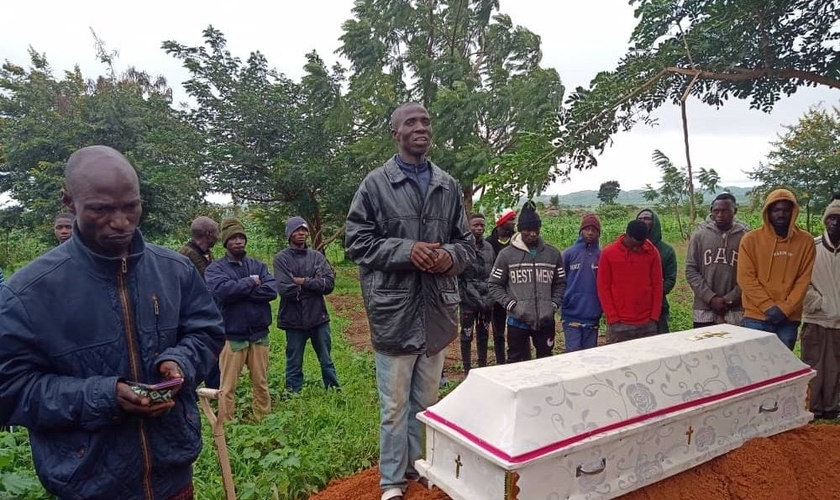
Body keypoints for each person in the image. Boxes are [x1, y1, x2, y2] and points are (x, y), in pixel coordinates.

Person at [0, 145, 225, 500]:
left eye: (130, 206)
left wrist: (180, 362)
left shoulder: (175, 271)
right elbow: (9, 390)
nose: (120, 221)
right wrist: (104, 396)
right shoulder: (28, 293)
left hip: (173, 480)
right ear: (69, 201)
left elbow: (206, 332)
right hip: (88, 486)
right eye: (101, 209)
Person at [345, 102, 473, 500]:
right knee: (395, 407)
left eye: (426, 121)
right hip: (394, 315)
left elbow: (467, 245)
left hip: (435, 312)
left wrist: (447, 257)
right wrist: (407, 250)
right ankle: (391, 483)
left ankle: (418, 469)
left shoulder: (448, 186)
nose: (421, 127)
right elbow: (356, 242)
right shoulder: (375, 185)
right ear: (396, 133)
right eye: (411, 122)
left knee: (427, 401)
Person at [206, 218, 277, 423]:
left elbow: (272, 290)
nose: (238, 241)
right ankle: (226, 424)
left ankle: (263, 420)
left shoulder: (258, 264)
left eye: (241, 237)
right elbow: (222, 292)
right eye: (233, 238)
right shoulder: (215, 269)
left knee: (261, 382)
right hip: (232, 335)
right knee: (227, 386)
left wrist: (241, 290)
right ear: (225, 242)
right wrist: (251, 282)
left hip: (259, 334)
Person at [737, 189, 816, 351]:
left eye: (786, 210)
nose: (781, 214)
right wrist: (768, 307)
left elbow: (803, 280)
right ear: (768, 212)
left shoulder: (805, 241)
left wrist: (784, 309)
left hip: (788, 318)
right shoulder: (751, 240)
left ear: (793, 212)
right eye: (776, 210)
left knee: (783, 370)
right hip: (756, 316)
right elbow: (745, 278)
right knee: (755, 365)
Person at [488, 202, 565, 363]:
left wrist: (553, 305)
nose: (532, 234)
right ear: (520, 230)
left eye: (535, 230)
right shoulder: (506, 255)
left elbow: (560, 283)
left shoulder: (552, 254)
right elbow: (494, 285)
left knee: (545, 363)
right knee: (516, 364)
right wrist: (512, 306)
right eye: (527, 230)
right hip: (517, 321)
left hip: (545, 321)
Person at [273, 216, 339, 393]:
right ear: (289, 234)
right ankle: (293, 394)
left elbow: (328, 285)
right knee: (294, 361)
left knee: (326, 359)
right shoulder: (281, 259)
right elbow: (285, 289)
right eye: (297, 230)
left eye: (304, 230)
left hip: (319, 318)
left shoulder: (316, 256)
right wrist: (314, 284)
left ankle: (333, 390)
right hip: (293, 320)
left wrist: (302, 281)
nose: (301, 233)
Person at [800, 195, 840, 419]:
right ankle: (812, 408)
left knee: (835, 367)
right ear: (825, 221)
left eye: (839, 219)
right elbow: (800, 282)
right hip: (815, 319)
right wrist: (820, 303)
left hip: (839, 323)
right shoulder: (811, 248)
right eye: (832, 219)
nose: (835, 223)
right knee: (813, 365)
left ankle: (832, 409)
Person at [685, 193, 750, 328]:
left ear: (735, 211)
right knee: (705, 347)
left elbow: (751, 273)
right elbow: (691, 270)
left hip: (735, 309)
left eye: (726, 211)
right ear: (711, 212)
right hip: (704, 308)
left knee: (734, 348)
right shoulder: (699, 236)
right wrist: (711, 297)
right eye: (716, 211)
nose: (720, 215)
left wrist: (731, 298)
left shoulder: (746, 238)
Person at [597, 219, 663, 343]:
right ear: (627, 235)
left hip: (647, 322)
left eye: (641, 243)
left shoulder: (651, 252)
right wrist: (612, 317)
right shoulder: (608, 253)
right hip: (619, 324)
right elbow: (603, 288)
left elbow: (657, 285)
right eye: (635, 244)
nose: (638, 247)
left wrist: (654, 317)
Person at [179, 216, 221, 389]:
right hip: (190, 315)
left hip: (209, 312)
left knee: (212, 354)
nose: (219, 236)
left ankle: (213, 390)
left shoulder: (207, 254)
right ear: (209, 234)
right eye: (217, 232)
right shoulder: (184, 255)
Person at [457, 213, 496, 374]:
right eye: (475, 225)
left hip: (487, 300)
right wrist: (464, 295)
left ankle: (482, 368)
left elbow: (493, 273)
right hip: (468, 301)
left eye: (482, 225)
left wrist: (491, 295)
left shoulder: (489, 248)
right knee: (467, 335)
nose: (479, 228)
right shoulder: (462, 248)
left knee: (483, 335)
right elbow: (458, 276)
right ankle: (467, 369)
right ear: (469, 227)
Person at [561, 213, 602, 351]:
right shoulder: (569, 254)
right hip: (571, 314)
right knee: (573, 355)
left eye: (594, 230)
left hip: (592, 314)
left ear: (598, 233)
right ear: (581, 230)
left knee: (590, 356)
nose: (590, 233)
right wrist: (565, 300)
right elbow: (559, 281)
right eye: (587, 229)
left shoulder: (601, 256)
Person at [637, 208, 677, 333]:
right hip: (633, 308)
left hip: (658, 307)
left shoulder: (666, 250)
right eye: (640, 219)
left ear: (654, 223)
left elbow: (670, 278)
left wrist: (654, 295)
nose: (643, 221)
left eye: (647, 218)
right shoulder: (630, 248)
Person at [485, 208, 516, 364]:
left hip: (515, 293)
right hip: (496, 295)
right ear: (502, 223)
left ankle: (515, 358)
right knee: (498, 332)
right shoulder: (488, 244)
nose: (513, 223)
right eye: (510, 220)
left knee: (515, 329)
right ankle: (500, 361)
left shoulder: (518, 242)